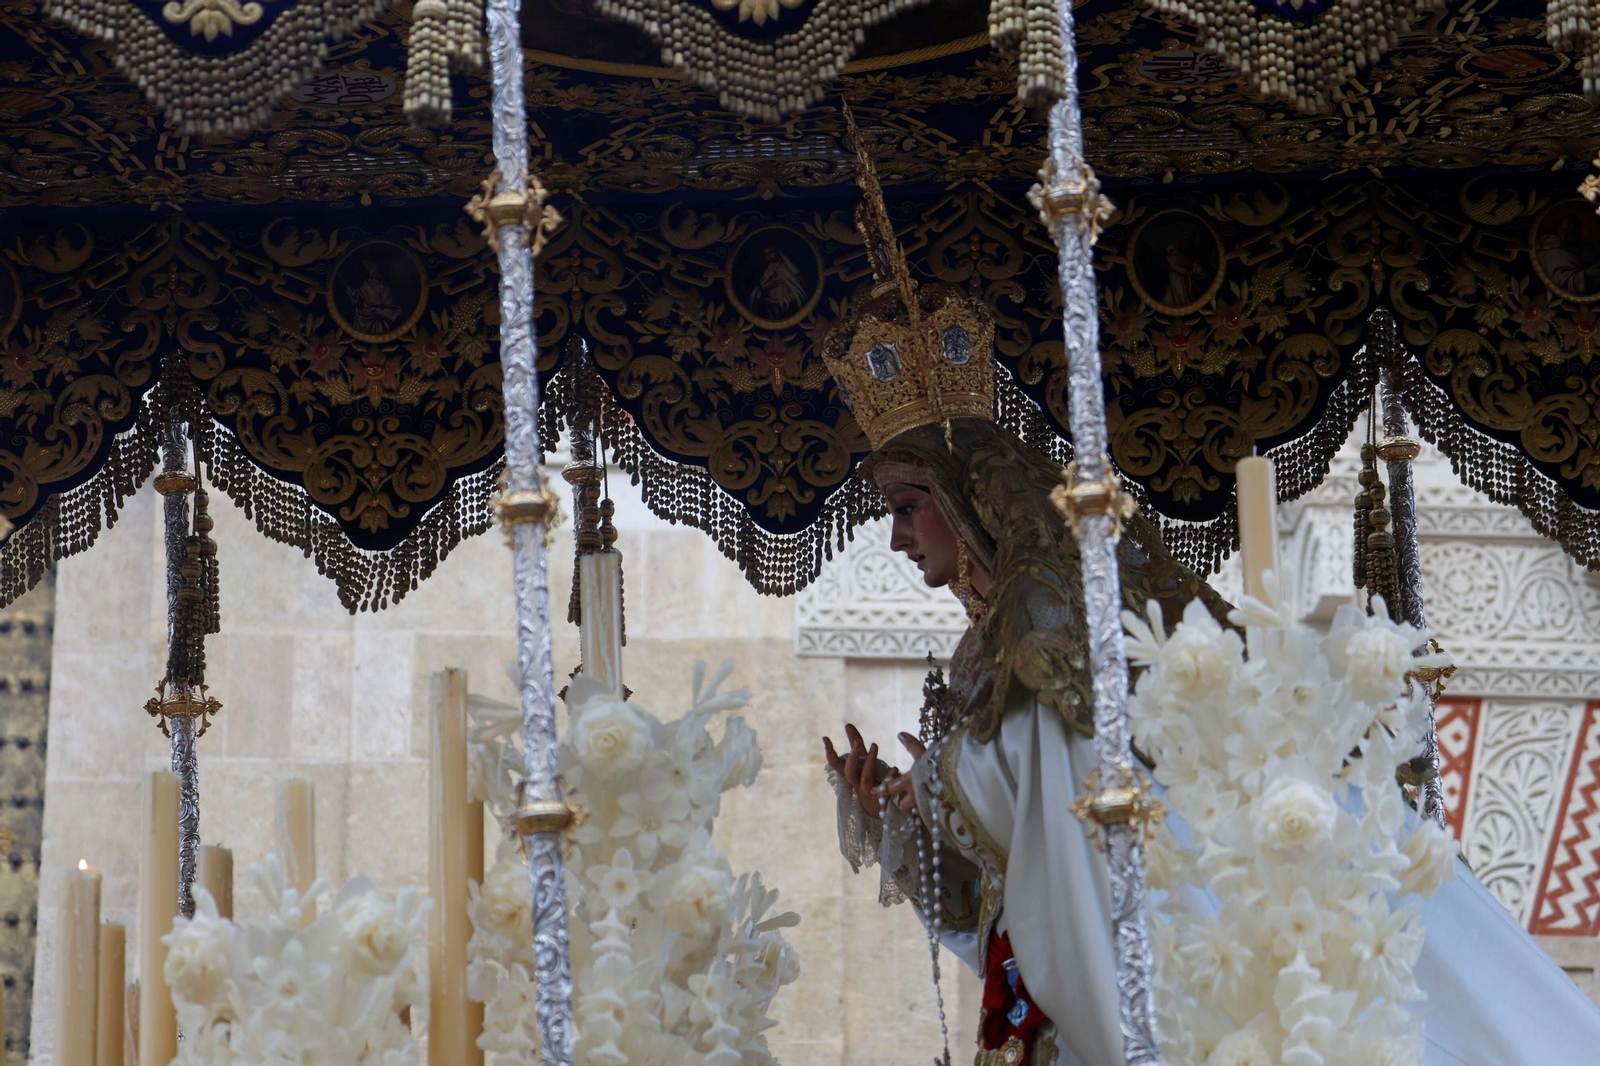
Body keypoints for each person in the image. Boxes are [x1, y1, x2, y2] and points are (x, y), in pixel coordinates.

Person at [822, 410, 1600, 1066]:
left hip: (1148, 931)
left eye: (907, 505)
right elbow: (1020, 853)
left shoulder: (1042, 608)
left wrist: (929, 784)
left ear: (967, 499)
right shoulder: (989, 639)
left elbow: (1051, 763)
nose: (898, 539)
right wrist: (904, 812)